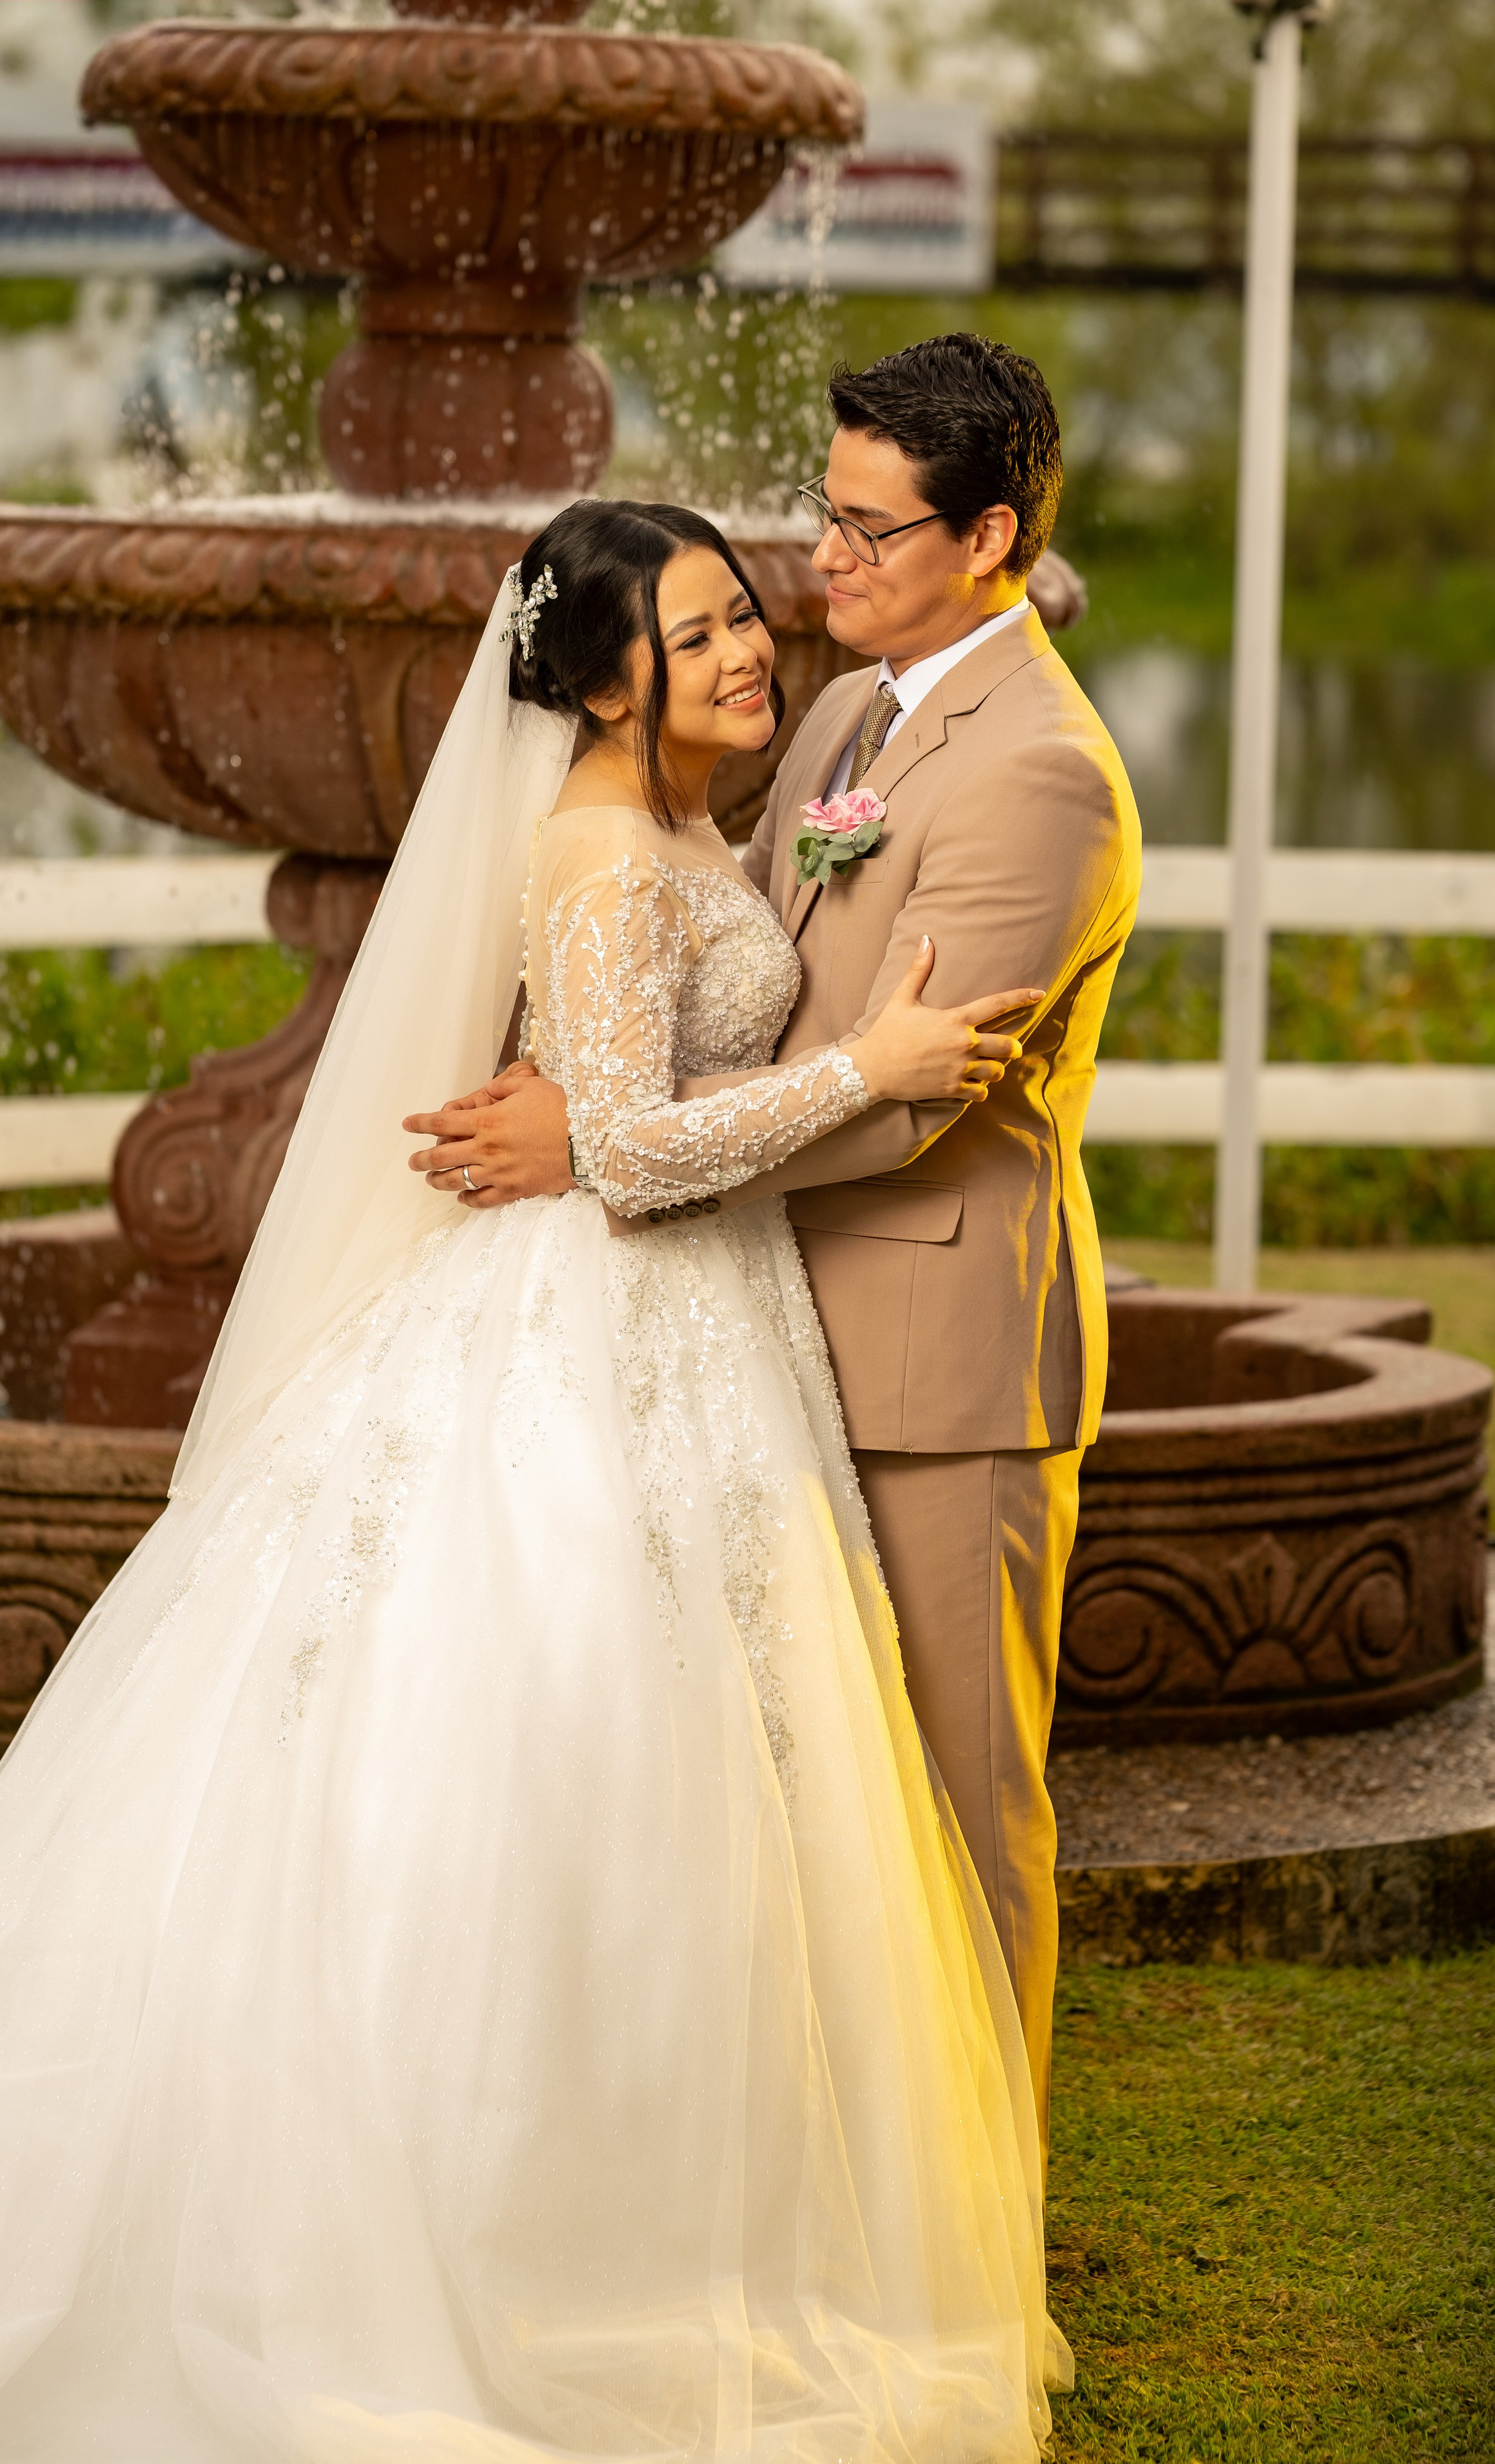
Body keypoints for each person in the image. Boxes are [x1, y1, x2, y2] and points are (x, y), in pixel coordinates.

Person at [0, 498, 1069, 2464]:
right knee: (561, 1758)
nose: (745, 656)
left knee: (691, 1790)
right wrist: (876, 1068)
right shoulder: (604, 850)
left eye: (740, 623)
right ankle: (506, 2255)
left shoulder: (702, 821)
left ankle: (691, 2225)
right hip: (590, 1341)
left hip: (698, 1342)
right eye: (696, 639)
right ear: (602, 679)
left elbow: (612, 1109)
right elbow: (626, 1143)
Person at [406, 336, 1144, 2162]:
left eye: (871, 529)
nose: (827, 563)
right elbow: (711, 982)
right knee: (804, 1814)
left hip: (939, 1356)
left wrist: (598, 1145)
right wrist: (599, 1089)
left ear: (988, 539)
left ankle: (986, 2230)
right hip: (759, 1336)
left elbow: (918, 1097)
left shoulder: (1041, 772)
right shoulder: (840, 721)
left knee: (964, 1810)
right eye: (824, 512)